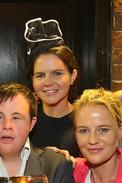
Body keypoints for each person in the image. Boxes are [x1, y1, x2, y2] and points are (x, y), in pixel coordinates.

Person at [24, 17, 80, 156]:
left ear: (72, 76)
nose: (48, 82)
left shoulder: (85, 120)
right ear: (32, 80)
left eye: (57, 73)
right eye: (40, 75)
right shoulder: (23, 120)